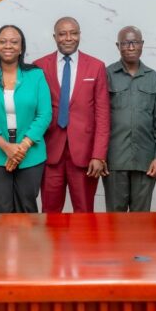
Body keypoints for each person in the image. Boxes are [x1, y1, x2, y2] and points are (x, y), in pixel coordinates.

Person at [33, 17, 109, 213]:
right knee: (49, 213)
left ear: (79, 35)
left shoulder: (96, 66)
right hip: (50, 153)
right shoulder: (39, 66)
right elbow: (33, 111)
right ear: (54, 37)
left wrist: (99, 155)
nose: (68, 38)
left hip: (84, 156)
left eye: (73, 33)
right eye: (62, 34)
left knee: (84, 213)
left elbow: (102, 114)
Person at [0, 25, 52, 213]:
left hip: (31, 153)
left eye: (14, 42)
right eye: (3, 41)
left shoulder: (36, 75)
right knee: (1, 211)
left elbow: (45, 114)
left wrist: (21, 147)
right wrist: (7, 147)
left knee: (27, 210)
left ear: (21, 47)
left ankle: (28, 245)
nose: (8, 46)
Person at [102, 26, 156, 212]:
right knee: (115, 218)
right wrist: (100, 155)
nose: (130, 47)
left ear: (142, 45)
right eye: (125, 43)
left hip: (145, 159)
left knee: (141, 219)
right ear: (118, 46)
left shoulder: (153, 78)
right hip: (114, 159)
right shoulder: (106, 75)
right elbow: (99, 117)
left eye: (135, 42)